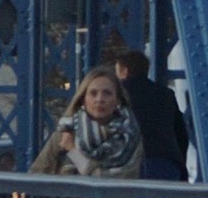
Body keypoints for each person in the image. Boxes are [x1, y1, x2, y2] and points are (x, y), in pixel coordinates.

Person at [30, 68, 143, 178]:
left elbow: (109, 183)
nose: (99, 99)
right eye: (93, 93)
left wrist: (73, 152)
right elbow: (36, 174)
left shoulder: (129, 138)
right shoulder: (66, 134)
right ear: (83, 98)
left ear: (118, 100)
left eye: (107, 93)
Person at [114, 51, 189, 181]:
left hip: (130, 163)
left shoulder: (117, 95)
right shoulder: (166, 94)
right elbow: (181, 135)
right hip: (167, 163)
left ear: (124, 71)